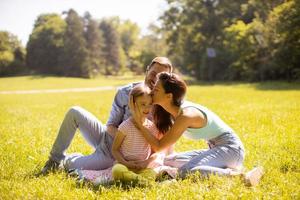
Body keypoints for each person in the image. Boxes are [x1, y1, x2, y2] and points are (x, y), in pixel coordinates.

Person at [38, 57, 173, 176]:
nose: (155, 78)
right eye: (153, 73)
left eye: (160, 76)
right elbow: (110, 126)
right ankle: (54, 160)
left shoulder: (165, 103)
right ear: (147, 70)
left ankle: (72, 159)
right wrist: (124, 137)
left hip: (114, 155)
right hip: (109, 139)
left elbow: (162, 144)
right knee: (74, 112)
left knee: (70, 165)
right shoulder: (125, 92)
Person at [131, 72, 263, 186]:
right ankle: (218, 167)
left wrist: (139, 124)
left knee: (186, 171)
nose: (152, 91)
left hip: (231, 149)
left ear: (169, 96)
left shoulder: (186, 115)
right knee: (166, 160)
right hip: (216, 148)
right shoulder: (171, 110)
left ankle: (240, 176)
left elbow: (159, 146)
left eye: (157, 89)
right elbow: (162, 147)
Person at [111, 83, 166, 185]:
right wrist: (125, 163)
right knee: (117, 171)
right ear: (133, 104)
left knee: (151, 173)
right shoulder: (125, 126)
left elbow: (155, 152)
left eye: (150, 104)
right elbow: (115, 149)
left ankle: (137, 180)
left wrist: (146, 163)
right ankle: (145, 183)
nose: (147, 108)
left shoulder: (152, 127)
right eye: (143, 104)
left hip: (142, 167)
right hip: (124, 165)